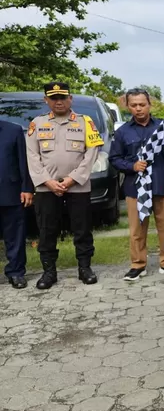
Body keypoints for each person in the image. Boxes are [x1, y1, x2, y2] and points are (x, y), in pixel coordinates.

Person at [26, 82, 103, 290]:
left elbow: (92, 153)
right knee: (47, 230)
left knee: (82, 228)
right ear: (46, 100)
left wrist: (72, 179)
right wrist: (48, 182)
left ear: (70, 99)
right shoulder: (37, 123)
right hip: (46, 188)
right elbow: (32, 156)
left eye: (62, 97)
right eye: (53, 98)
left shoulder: (85, 122)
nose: (58, 101)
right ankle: (49, 272)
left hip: (78, 187)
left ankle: (85, 268)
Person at [109, 88, 164, 282]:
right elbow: (114, 159)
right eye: (134, 105)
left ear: (149, 105)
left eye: (142, 104)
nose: (138, 109)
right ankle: (137, 265)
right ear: (128, 106)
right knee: (137, 229)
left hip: (163, 185)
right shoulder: (123, 131)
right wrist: (131, 166)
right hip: (136, 188)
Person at [0, 120, 34, 289]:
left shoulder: (13, 130)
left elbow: (23, 161)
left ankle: (16, 272)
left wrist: (27, 188)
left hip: (10, 191)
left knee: (15, 236)